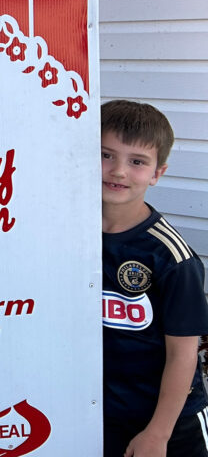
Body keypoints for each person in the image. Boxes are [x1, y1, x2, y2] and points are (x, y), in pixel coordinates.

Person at [101, 99, 208, 456]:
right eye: (105, 155)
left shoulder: (171, 258)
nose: (118, 171)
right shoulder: (66, 234)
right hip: (98, 414)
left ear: (157, 173)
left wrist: (157, 434)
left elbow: (183, 354)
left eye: (137, 162)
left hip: (167, 422)